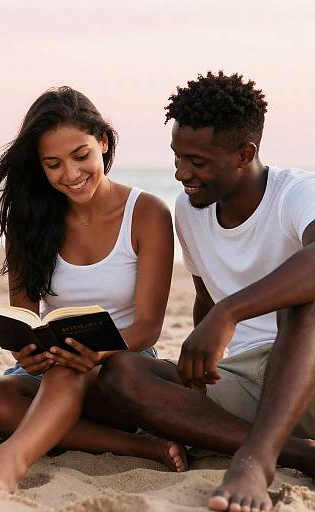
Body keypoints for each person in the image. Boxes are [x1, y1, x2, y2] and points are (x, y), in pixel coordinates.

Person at [97, 71, 315, 512]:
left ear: (244, 154)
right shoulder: (190, 210)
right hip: (252, 382)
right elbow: (204, 296)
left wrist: (228, 313)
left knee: (301, 301)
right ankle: (298, 453)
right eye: (177, 157)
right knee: (121, 373)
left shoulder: (298, 192)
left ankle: (255, 462)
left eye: (196, 161)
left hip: (308, 364)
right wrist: (198, 365)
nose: (181, 173)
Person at [0, 86, 187, 492]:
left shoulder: (147, 213)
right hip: (56, 368)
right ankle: (138, 449)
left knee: (68, 365)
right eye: (53, 164)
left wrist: (96, 351)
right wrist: (26, 352)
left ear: (103, 142)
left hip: (124, 366)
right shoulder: (31, 221)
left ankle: (10, 461)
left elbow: (148, 326)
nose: (71, 174)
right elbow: (23, 316)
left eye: (81, 156)